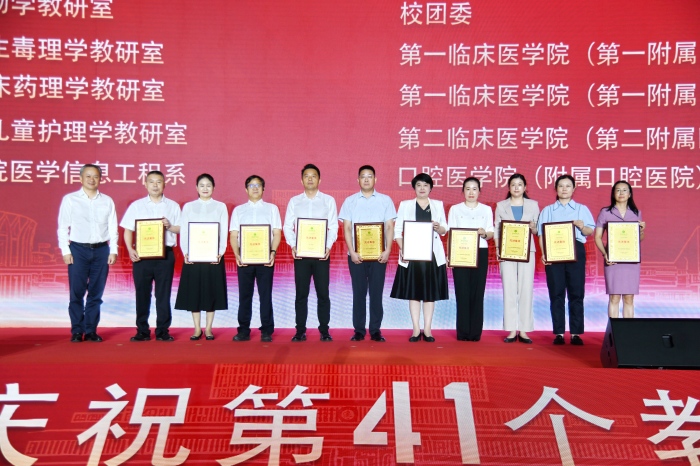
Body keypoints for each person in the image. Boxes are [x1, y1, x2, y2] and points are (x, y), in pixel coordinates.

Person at [57, 164, 118, 342]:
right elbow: (63, 227)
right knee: (76, 292)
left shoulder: (107, 200)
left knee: (96, 293)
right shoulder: (70, 199)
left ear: (100, 179)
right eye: (88, 176)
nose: (92, 180)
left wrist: (113, 250)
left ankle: (91, 330)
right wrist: (65, 250)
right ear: (81, 178)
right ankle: (77, 330)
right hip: (78, 250)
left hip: (101, 250)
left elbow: (113, 227)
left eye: (96, 176)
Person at [121, 170, 181, 342]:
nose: (155, 185)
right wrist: (130, 249)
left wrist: (169, 226)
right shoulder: (136, 206)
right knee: (142, 294)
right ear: (145, 184)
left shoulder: (173, 206)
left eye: (159, 182)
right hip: (142, 257)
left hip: (165, 256)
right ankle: (142, 330)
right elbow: (128, 230)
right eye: (152, 182)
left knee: (163, 295)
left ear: (164, 184)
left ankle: (163, 331)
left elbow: (181, 229)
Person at [338, 165, 396, 342]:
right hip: (356, 255)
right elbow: (347, 228)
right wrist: (352, 251)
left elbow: (389, 226)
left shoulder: (385, 200)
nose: (366, 179)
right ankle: (359, 330)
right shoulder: (350, 201)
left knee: (376, 293)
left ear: (375, 179)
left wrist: (388, 250)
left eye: (369, 176)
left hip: (379, 255)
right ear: (358, 180)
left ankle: (375, 330)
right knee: (359, 293)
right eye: (363, 176)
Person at [537, 174, 595, 345]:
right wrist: (544, 253)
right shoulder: (548, 210)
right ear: (556, 188)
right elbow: (541, 234)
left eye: (568, 186)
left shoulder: (581, 209)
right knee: (556, 293)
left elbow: (589, 231)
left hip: (575, 251)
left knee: (576, 292)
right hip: (554, 252)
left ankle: (576, 333)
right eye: (561, 186)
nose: (564, 189)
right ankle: (559, 333)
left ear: (573, 188)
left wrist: (582, 226)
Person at [390, 173, 448, 342]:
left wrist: (439, 227)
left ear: (431, 188)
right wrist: (404, 249)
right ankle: (416, 329)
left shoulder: (438, 205)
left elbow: (445, 229)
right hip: (413, 255)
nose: (422, 188)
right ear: (414, 188)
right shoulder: (405, 205)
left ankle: (428, 329)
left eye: (425, 185)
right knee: (414, 292)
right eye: (419, 185)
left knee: (430, 293)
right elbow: (397, 231)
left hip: (432, 255)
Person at [283, 164, 338, 342]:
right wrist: (293, 245)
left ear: (319, 180)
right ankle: (300, 330)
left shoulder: (328, 201)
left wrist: (327, 247)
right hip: (301, 254)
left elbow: (333, 226)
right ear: (301, 180)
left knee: (323, 294)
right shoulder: (294, 201)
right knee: (301, 294)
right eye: (306, 176)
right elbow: (287, 226)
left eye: (313, 176)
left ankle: (324, 330)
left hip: (321, 254)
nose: (310, 179)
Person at [174, 173, 228, 341]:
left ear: (214, 188)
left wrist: (220, 252)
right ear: (196, 188)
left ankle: (209, 328)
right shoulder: (189, 207)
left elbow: (223, 231)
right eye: (202, 185)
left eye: (208, 185)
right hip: (194, 255)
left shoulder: (220, 207)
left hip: (213, 256)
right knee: (194, 292)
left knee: (212, 291)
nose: (205, 188)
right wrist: (186, 252)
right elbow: (184, 231)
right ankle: (197, 328)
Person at [230, 175, 282, 343]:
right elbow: (233, 235)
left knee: (265, 295)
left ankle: (266, 330)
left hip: (265, 259)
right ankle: (243, 330)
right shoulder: (238, 210)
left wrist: (273, 252)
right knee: (244, 296)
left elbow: (277, 233)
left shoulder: (272, 209)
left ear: (263, 189)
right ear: (246, 189)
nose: (255, 188)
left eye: (258, 185)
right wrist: (237, 254)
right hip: (244, 259)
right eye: (251, 185)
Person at [494, 173, 539, 344]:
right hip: (507, 251)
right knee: (509, 289)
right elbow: (497, 229)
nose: (516, 187)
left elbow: (538, 230)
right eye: (513, 184)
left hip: (527, 251)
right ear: (509, 187)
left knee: (526, 289)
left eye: (520, 184)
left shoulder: (533, 205)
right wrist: (498, 249)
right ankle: (512, 329)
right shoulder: (501, 206)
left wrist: (534, 227)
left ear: (525, 187)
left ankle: (524, 330)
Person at [447, 177, 493, 342]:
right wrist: (450, 255)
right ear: (463, 191)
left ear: (479, 191)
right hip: (460, 253)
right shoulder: (455, 209)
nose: (471, 192)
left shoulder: (486, 210)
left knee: (477, 293)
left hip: (480, 252)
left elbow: (491, 232)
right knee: (462, 292)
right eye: (468, 189)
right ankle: (463, 332)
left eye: (474, 189)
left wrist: (484, 234)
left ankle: (475, 333)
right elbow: (451, 232)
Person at [594, 180, 646, 318]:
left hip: (631, 261)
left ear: (630, 194)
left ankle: (628, 330)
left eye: (624, 190)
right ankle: (614, 330)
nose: (621, 193)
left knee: (629, 298)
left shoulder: (636, 213)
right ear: (613, 193)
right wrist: (605, 254)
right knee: (614, 297)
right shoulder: (605, 212)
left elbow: (638, 239)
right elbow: (597, 237)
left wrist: (641, 231)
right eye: (617, 190)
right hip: (613, 260)